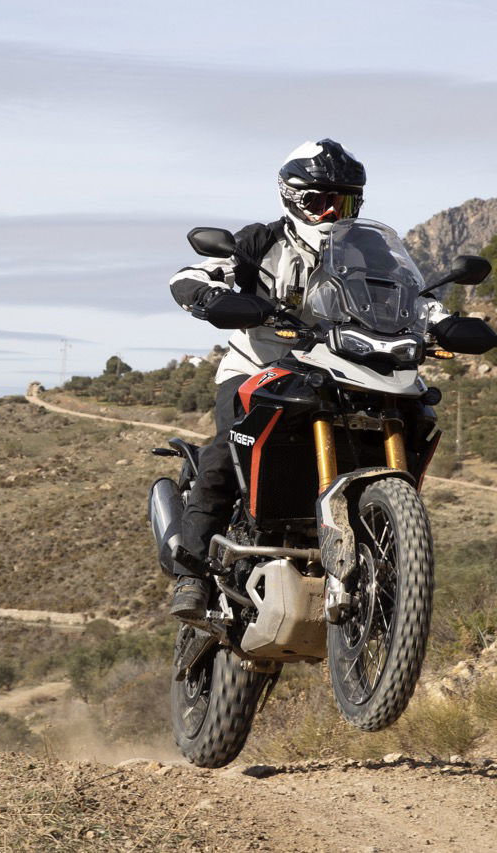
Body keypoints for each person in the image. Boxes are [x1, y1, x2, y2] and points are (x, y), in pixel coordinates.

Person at [165, 139, 447, 621]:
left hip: (340, 366)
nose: (333, 211)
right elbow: (193, 273)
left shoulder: (372, 251)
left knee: (416, 412)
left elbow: (413, 298)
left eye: (346, 201)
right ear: (292, 199)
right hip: (260, 368)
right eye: (320, 201)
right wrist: (209, 296)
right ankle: (191, 573)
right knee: (221, 454)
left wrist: (441, 321)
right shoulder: (260, 241)